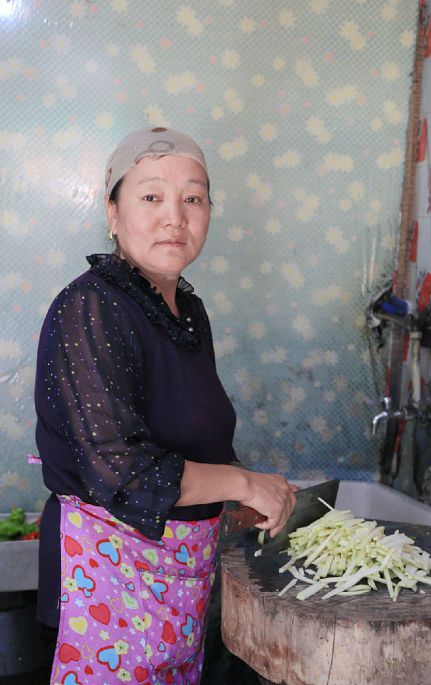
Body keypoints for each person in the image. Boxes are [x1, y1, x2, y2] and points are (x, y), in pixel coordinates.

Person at [34, 127, 297, 685]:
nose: (175, 217)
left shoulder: (187, 313)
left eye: (193, 198)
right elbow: (125, 474)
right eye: (151, 196)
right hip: (106, 582)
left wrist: (242, 493)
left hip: (180, 579)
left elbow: (197, 438)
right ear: (112, 212)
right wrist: (243, 483)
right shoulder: (89, 307)